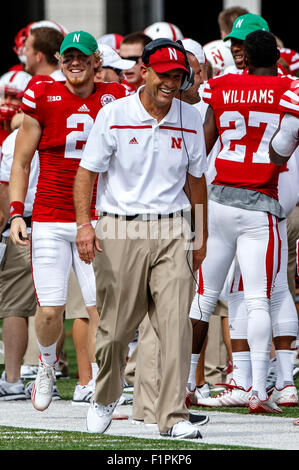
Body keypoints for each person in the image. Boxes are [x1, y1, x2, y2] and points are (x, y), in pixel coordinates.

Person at [74, 38, 208, 438]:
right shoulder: (114, 114)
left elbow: (196, 180)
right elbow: (87, 173)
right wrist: (85, 225)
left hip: (174, 227)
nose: (171, 82)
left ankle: (173, 415)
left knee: (175, 327)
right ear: (145, 72)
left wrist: (200, 236)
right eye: (164, 74)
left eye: (178, 75)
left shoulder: (191, 117)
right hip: (119, 226)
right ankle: (105, 395)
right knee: (114, 330)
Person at [9, 30, 126, 413]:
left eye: (82, 57)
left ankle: (99, 384)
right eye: (68, 57)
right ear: (60, 60)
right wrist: (15, 212)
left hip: (95, 218)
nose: (74, 63)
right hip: (49, 216)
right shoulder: (43, 94)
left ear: (97, 61)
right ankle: (45, 364)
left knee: (98, 309)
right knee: (49, 310)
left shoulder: (116, 98)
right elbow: (22, 161)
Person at [187, 30, 295, 414]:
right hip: (260, 201)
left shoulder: (221, 87)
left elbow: (204, 144)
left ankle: (185, 383)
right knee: (259, 298)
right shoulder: (290, 88)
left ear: (243, 57)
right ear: (278, 57)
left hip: (218, 198)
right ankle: (259, 391)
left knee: (204, 294)